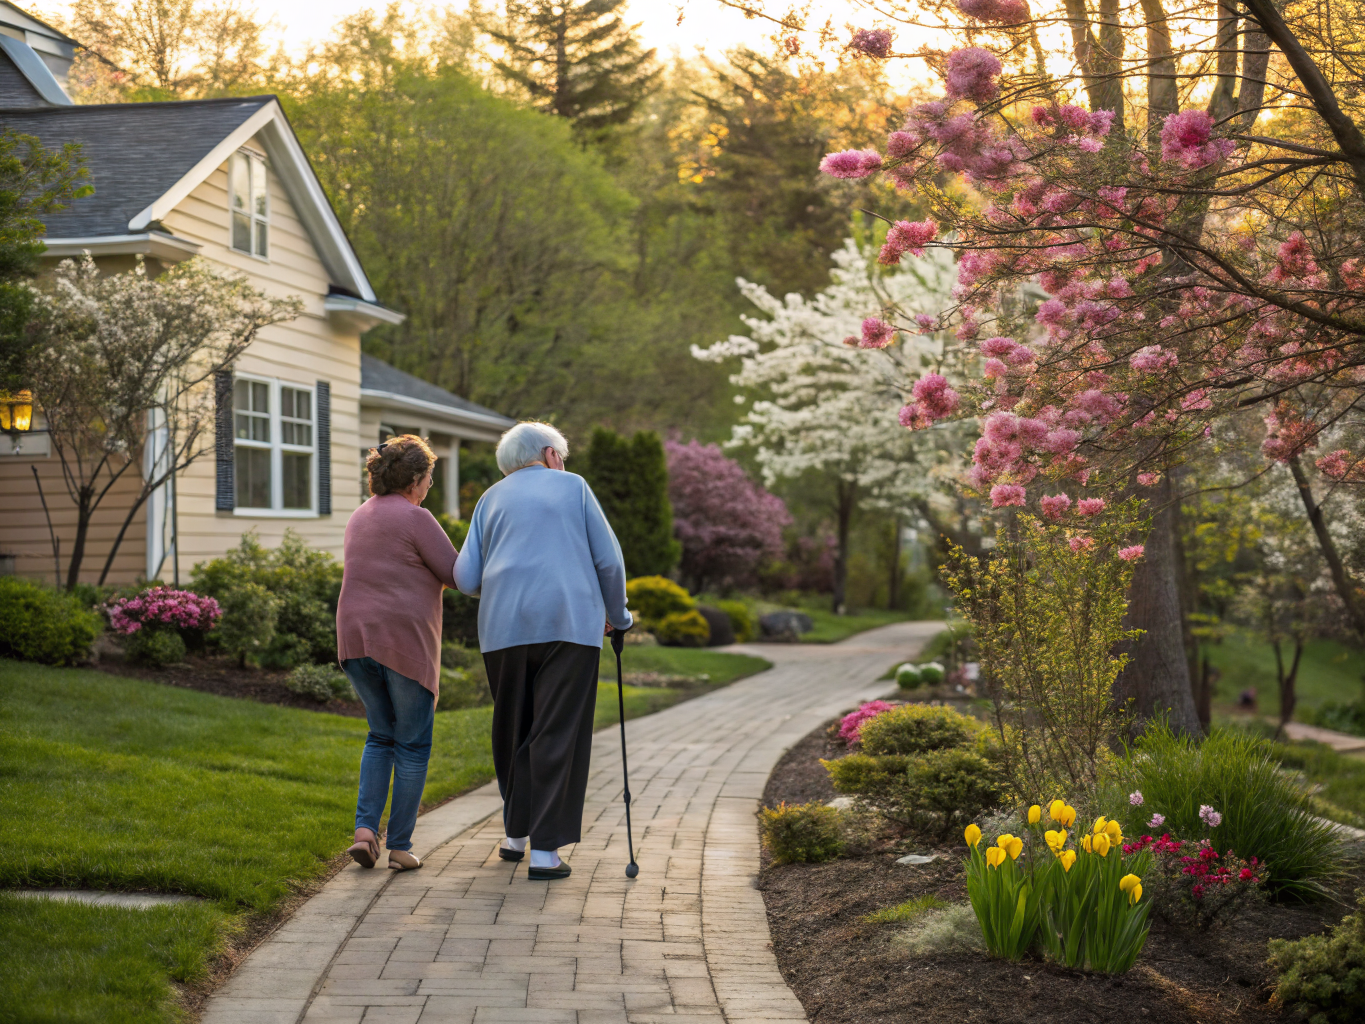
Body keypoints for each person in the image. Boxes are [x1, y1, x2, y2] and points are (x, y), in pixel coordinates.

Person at [455, 421, 632, 881]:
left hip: (501, 629)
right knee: (556, 732)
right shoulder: (572, 488)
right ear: (552, 454)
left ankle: (516, 837)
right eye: (563, 456)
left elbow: (466, 578)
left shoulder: (488, 499)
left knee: (514, 729)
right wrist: (620, 615)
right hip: (568, 625)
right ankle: (545, 852)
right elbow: (609, 560)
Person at [335, 434, 458, 871]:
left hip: (355, 639)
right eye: (428, 479)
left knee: (379, 735)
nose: (428, 488)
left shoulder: (359, 516)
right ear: (415, 480)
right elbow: (456, 573)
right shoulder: (415, 518)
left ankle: (365, 832)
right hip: (401, 641)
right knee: (412, 744)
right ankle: (400, 847)